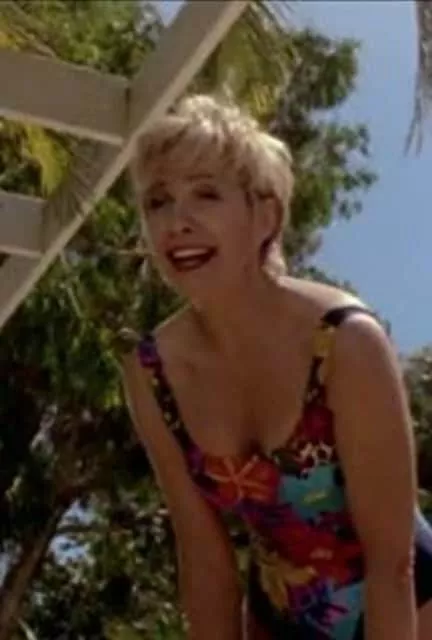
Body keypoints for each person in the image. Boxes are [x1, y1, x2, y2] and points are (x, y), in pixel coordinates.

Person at [121, 94, 432, 640]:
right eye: (158, 202)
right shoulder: (153, 373)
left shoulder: (344, 342)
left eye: (206, 194)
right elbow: (205, 558)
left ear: (265, 215)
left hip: (408, 604)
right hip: (280, 615)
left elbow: (393, 562)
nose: (177, 222)